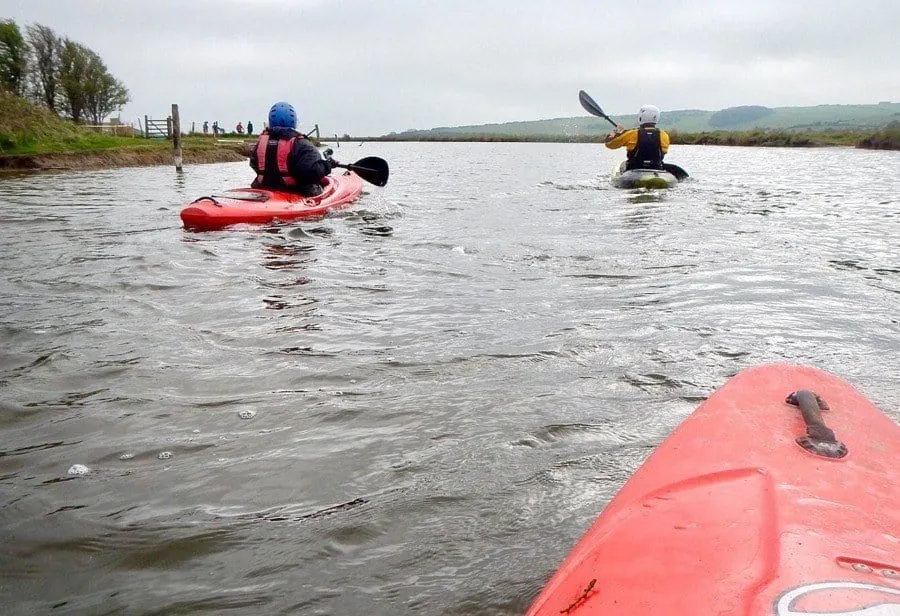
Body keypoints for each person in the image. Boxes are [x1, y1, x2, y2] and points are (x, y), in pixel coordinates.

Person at [249, 101, 340, 196]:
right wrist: (328, 165)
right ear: (294, 121)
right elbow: (313, 172)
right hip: (294, 191)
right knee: (312, 184)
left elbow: (253, 164)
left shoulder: (260, 142)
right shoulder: (302, 144)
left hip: (264, 188)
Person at [604, 104, 669, 170]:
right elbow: (664, 151)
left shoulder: (632, 133)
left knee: (622, 166)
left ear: (641, 117)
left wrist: (616, 130)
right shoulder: (664, 135)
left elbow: (609, 144)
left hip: (634, 169)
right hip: (656, 168)